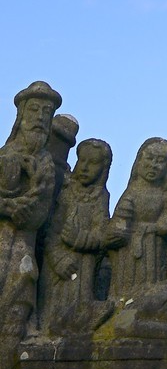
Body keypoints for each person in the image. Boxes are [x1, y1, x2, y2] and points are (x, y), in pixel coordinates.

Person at [0, 81, 62, 369]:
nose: (39, 118)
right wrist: (10, 207)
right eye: (34, 110)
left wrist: (16, 204)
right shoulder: (3, 157)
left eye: (46, 112)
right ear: (21, 115)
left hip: (21, 251)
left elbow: (36, 213)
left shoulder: (45, 166)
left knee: (14, 316)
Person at [39, 138, 120, 333]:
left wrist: (80, 239)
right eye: (81, 161)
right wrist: (58, 260)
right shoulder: (66, 193)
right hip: (57, 267)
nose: (84, 167)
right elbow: (51, 232)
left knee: (78, 307)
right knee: (54, 309)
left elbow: (101, 235)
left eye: (92, 164)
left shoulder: (101, 197)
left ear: (103, 169)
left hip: (83, 267)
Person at [108, 137, 167, 298]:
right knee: (125, 282)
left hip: (153, 243)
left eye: (160, 161)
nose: (153, 165)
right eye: (149, 158)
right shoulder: (132, 190)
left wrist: (158, 227)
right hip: (128, 247)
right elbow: (119, 219)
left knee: (150, 283)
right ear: (140, 160)